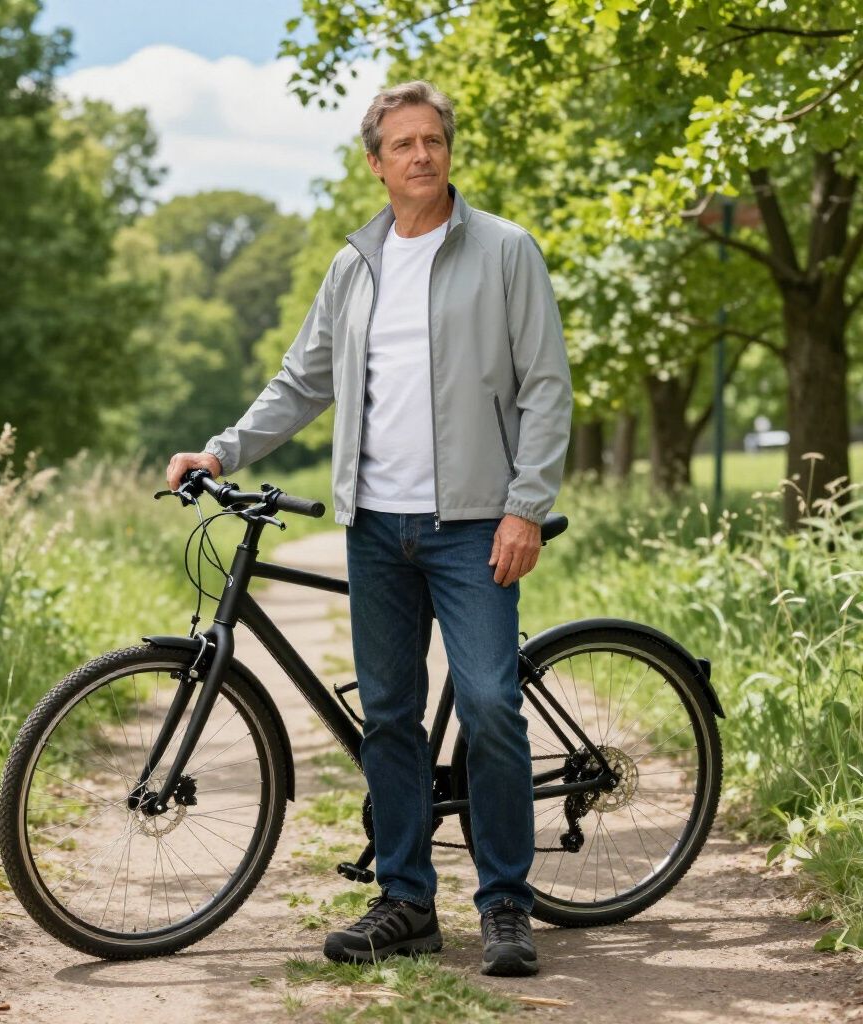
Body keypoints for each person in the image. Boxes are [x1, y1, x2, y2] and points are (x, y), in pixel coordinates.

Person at [166, 80, 572, 977]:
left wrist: (525, 506)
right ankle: (407, 902)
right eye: (403, 144)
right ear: (375, 161)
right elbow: (302, 380)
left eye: (434, 140)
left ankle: (506, 903)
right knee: (389, 716)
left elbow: (545, 384)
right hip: (376, 527)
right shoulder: (356, 265)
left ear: (448, 151)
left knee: (492, 704)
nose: (421, 155)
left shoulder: (505, 250)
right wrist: (221, 452)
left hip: (475, 528)